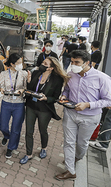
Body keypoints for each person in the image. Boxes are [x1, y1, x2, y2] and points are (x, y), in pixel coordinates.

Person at [55, 50, 111, 181]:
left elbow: (108, 101)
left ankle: (78, 157)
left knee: (82, 143)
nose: (73, 65)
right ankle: (70, 170)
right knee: (68, 142)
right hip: (70, 113)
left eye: (77, 62)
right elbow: (67, 90)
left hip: (90, 117)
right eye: (72, 62)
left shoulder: (102, 78)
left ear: (87, 63)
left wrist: (88, 105)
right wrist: (64, 96)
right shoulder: (71, 74)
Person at [20, 57, 68, 164]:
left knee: (43, 130)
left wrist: (46, 98)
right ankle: (29, 154)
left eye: (45, 63)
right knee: (29, 131)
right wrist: (28, 81)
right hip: (31, 106)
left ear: (51, 68)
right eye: (42, 62)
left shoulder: (57, 79)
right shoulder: (36, 73)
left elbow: (55, 97)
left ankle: (44, 148)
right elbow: (30, 89)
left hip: (44, 109)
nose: (42, 64)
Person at [0, 53, 30, 158]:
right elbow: (1, 87)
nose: (20, 65)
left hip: (19, 104)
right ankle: (6, 135)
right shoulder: (3, 74)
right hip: (6, 102)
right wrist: (2, 89)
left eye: (21, 62)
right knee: (3, 125)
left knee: (16, 128)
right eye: (18, 63)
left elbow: (26, 88)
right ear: (12, 64)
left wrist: (22, 90)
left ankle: (10, 148)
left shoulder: (24, 74)